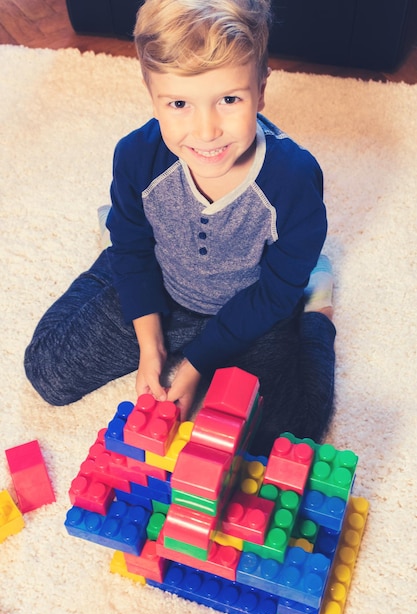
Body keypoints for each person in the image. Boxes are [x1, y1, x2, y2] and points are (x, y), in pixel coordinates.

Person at [24, 0, 336, 456]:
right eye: (179, 104)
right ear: (151, 95)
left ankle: (317, 306)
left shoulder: (294, 180)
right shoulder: (135, 157)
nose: (206, 131)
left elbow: (273, 295)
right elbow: (134, 249)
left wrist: (193, 363)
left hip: (252, 306)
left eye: (229, 100)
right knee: (48, 371)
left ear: (261, 89)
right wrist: (150, 343)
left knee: (286, 435)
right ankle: (109, 260)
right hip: (164, 285)